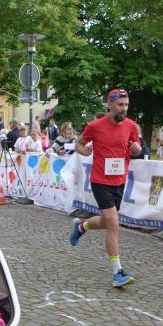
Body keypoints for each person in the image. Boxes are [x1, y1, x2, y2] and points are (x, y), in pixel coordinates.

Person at [68, 88, 141, 288]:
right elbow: (79, 145)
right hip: (100, 180)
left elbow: (136, 148)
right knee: (113, 222)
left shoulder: (131, 126)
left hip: (120, 180)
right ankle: (118, 272)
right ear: (109, 105)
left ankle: (81, 226)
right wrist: (84, 151)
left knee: (107, 221)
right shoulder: (95, 126)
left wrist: (136, 149)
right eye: (120, 105)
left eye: (126, 105)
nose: (123, 108)